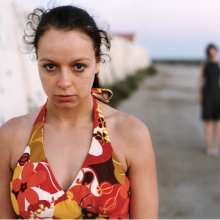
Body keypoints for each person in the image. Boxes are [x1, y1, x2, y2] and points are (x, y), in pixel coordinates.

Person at [0, 5, 158, 219]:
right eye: (50, 66)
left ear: (97, 64)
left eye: (78, 66)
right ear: (37, 63)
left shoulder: (130, 134)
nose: (64, 82)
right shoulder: (11, 137)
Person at [198, 43, 220, 156]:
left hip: (217, 94)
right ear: (208, 52)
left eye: (214, 50)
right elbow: (200, 79)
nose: (213, 53)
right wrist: (199, 94)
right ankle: (209, 145)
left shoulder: (219, 63)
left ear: (216, 51)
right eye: (211, 51)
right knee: (207, 121)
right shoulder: (205, 63)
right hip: (207, 94)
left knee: (216, 121)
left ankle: (215, 145)